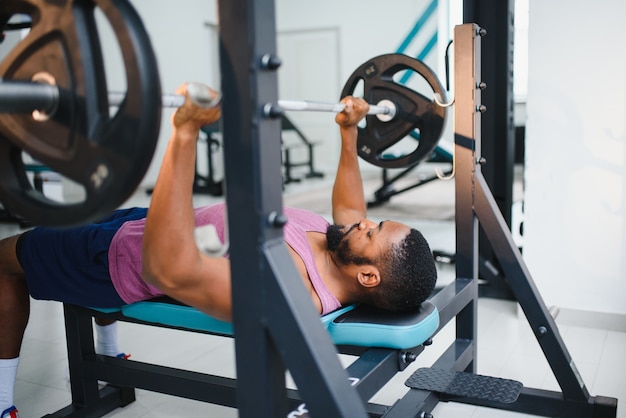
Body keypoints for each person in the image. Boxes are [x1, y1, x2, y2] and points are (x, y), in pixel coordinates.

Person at [0, 84, 437, 417]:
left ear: (368, 277)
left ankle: (2, 401)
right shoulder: (340, 246)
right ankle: (111, 354)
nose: (364, 221)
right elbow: (351, 208)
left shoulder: (289, 285)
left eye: (373, 231)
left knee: (3, 262)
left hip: (114, 259)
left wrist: (185, 132)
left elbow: (169, 267)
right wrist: (348, 132)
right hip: (141, 221)